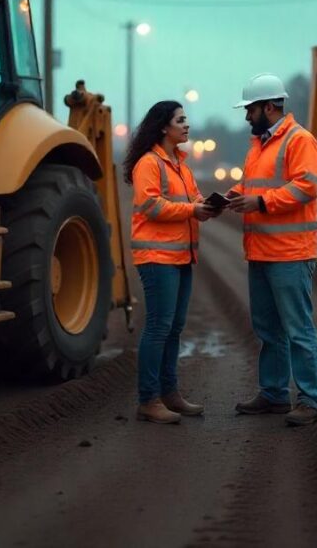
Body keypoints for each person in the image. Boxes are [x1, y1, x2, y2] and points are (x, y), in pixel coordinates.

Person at [227, 73, 317, 426]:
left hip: (290, 253)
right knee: (268, 330)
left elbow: (306, 187)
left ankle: (312, 398)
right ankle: (273, 395)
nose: (246, 116)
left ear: (269, 107)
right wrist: (235, 195)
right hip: (261, 251)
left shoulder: (301, 141)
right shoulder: (260, 144)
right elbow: (254, 184)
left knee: (298, 329)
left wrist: (261, 202)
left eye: (250, 109)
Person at [124, 100, 216, 425]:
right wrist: (193, 210)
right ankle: (148, 400)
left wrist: (207, 206)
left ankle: (170, 393)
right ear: (164, 126)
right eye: (181, 119)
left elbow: (192, 200)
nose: (187, 125)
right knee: (159, 327)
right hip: (157, 257)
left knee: (174, 328)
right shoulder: (149, 163)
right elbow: (151, 205)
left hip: (180, 255)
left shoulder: (180, 165)